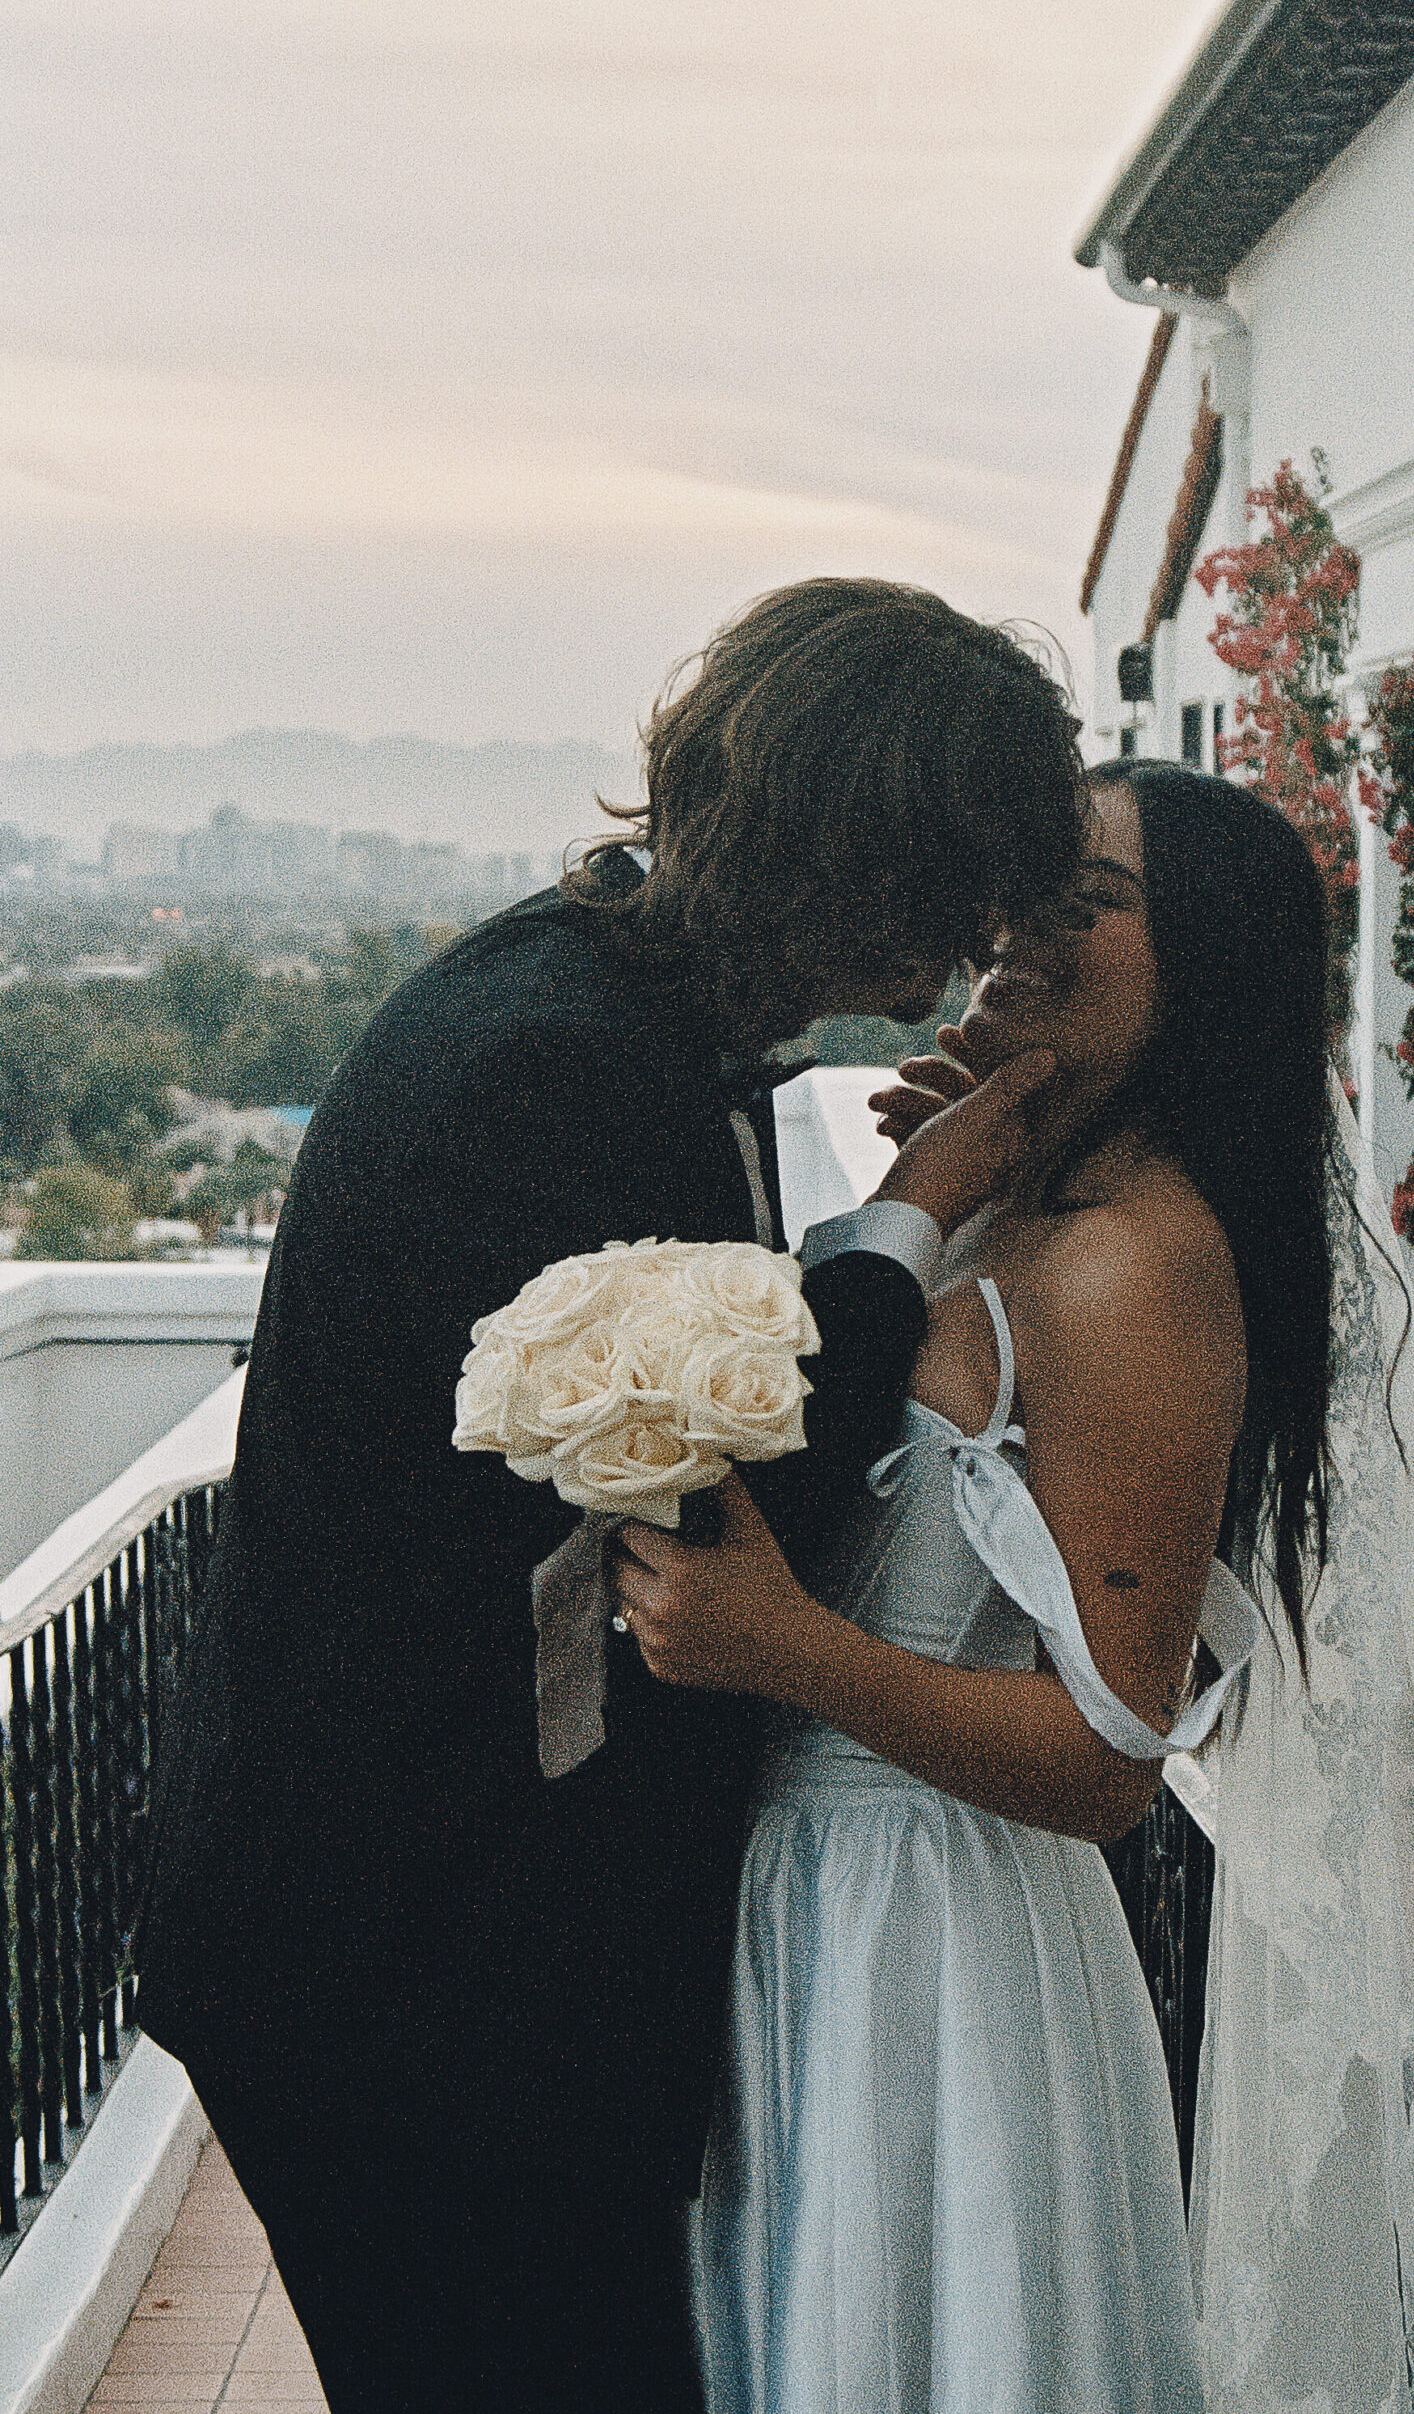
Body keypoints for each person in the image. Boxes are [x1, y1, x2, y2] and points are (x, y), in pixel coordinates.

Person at [617, 759, 1414, 2414]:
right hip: (806, 1930)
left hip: (927, 1961)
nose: (1019, 944)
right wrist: (930, 1208)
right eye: (1019, 903)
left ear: (1211, 961)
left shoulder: (1141, 1258)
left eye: (1092, 906)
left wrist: (789, 1650)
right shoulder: (1004, 1201)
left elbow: (1114, 1753)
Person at [131, 578, 1089, 2413]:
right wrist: (922, 1213)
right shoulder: (555, 1070)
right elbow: (715, 1521)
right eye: (969, 881)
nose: (981, 944)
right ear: (864, 851)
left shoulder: (594, 999)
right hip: (410, 1981)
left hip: (417, 1961)